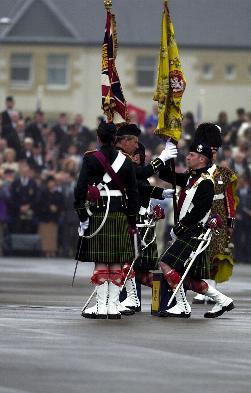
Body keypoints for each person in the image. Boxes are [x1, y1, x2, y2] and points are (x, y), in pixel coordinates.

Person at [158, 142, 235, 318]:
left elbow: (200, 210)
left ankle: (182, 305)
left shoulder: (206, 182)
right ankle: (223, 300)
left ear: (201, 159)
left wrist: (179, 228)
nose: (187, 157)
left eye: (191, 155)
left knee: (166, 263)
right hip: (188, 231)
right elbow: (163, 174)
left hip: (194, 231)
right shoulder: (190, 178)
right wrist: (166, 156)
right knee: (190, 278)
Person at [74, 122, 139, 320]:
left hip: (99, 213)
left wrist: (83, 217)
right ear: (115, 138)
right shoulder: (126, 161)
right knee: (117, 263)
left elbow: (79, 191)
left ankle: (102, 307)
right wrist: (131, 219)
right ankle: (113, 306)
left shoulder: (91, 159)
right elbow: (134, 193)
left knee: (101, 261)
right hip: (120, 214)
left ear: (99, 137)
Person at [115, 123, 177, 312]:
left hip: (135, 221)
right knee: (127, 264)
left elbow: (140, 181)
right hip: (128, 219)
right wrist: (163, 158)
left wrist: (160, 192)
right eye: (134, 143)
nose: (136, 153)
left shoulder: (123, 160)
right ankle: (170, 293)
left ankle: (171, 293)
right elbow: (138, 177)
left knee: (131, 265)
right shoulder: (120, 160)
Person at [192, 123, 238, 304]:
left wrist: (230, 222)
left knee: (216, 253)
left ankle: (211, 288)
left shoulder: (224, 173)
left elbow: (229, 199)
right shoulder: (195, 172)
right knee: (199, 251)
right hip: (200, 214)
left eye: (214, 150)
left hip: (218, 214)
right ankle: (201, 288)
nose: (212, 154)